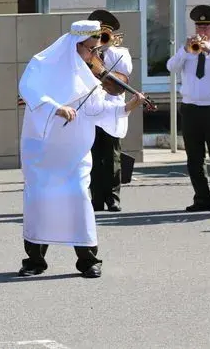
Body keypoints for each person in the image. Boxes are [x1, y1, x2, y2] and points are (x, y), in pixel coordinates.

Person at [17, 20, 145, 279]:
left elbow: (97, 110)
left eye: (97, 50)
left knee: (78, 197)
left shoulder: (90, 75)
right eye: (91, 49)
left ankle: (88, 260)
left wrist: (128, 106)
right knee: (41, 202)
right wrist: (56, 107)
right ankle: (35, 260)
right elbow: (28, 89)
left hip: (75, 155)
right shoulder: (41, 64)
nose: (96, 56)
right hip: (43, 152)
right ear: (76, 46)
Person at [166, 5, 210, 212]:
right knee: (194, 157)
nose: (201, 31)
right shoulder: (188, 50)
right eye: (199, 26)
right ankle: (201, 197)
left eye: (206, 27)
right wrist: (183, 51)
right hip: (190, 108)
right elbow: (171, 67)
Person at [88, 9, 132, 212]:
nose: (101, 38)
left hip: (113, 110)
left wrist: (108, 48)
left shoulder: (121, 53)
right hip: (92, 110)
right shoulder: (84, 54)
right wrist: (93, 52)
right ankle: (96, 198)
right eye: (99, 34)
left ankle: (113, 198)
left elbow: (125, 73)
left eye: (105, 34)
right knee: (94, 157)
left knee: (113, 157)